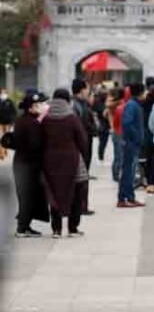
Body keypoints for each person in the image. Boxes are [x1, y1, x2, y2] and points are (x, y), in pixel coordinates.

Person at [41, 89, 89, 237]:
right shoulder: (72, 117)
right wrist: (82, 153)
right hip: (72, 159)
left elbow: (38, 137)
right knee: (77, 190)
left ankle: (56, 229)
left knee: (54, 192)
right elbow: (82, 140)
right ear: (68, 100)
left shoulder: (44, 117)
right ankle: (73, 228)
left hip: (49, 160)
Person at [12, 91, 50, 237]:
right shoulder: (32, 123)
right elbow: (36, 144)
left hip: (22, 163)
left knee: (27, 196)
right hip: (29, 166)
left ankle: (25, 226)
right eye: (40, 104)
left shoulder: (22, 120)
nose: (44, 106)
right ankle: (22, 229)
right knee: (28, 197)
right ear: (31, 108)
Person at [118, 83, 147, 208]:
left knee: (130, 172)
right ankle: (123, 198)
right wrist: (136, 137)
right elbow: (127, 123)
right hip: (131, 144)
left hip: (134, 144)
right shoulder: (132, 105)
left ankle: (130, 196)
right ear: (140, 93)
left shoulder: (135, 105)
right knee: (128, 172)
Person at [71, 78, 96, 214]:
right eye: (87, 89)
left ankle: (81, 206)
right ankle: (80, 207)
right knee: (81, 177)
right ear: (81, 90)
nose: (89, 91)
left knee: (83, 176)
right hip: (80, 146)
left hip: (85, 145)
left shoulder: (82, 105)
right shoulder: (76, 106)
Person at [107, 88, 127, 182]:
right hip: (119, 131)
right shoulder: (120, 105)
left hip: (115, 131)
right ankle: (117, 175)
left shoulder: (112, 104)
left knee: (117, 155)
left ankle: (115, 175)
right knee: (119, 155)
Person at [93, 89, 110, 163]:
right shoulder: (97, 103)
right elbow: (100, 113)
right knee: (102, 142)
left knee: (104, 141)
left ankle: (101, 155)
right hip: (101, 124)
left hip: (105, 125)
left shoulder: (105, 102)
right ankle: (101, 156)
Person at [0, 88, 17, 160]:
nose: (3, 94)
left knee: (6, 136)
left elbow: (14, 112)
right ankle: (2, 153)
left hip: (7, 122)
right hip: (0, 123)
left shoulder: (9, 101)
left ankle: (4, 149)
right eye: (2, 93)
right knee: (0, 136)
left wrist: (12, 121)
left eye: (5, 93)